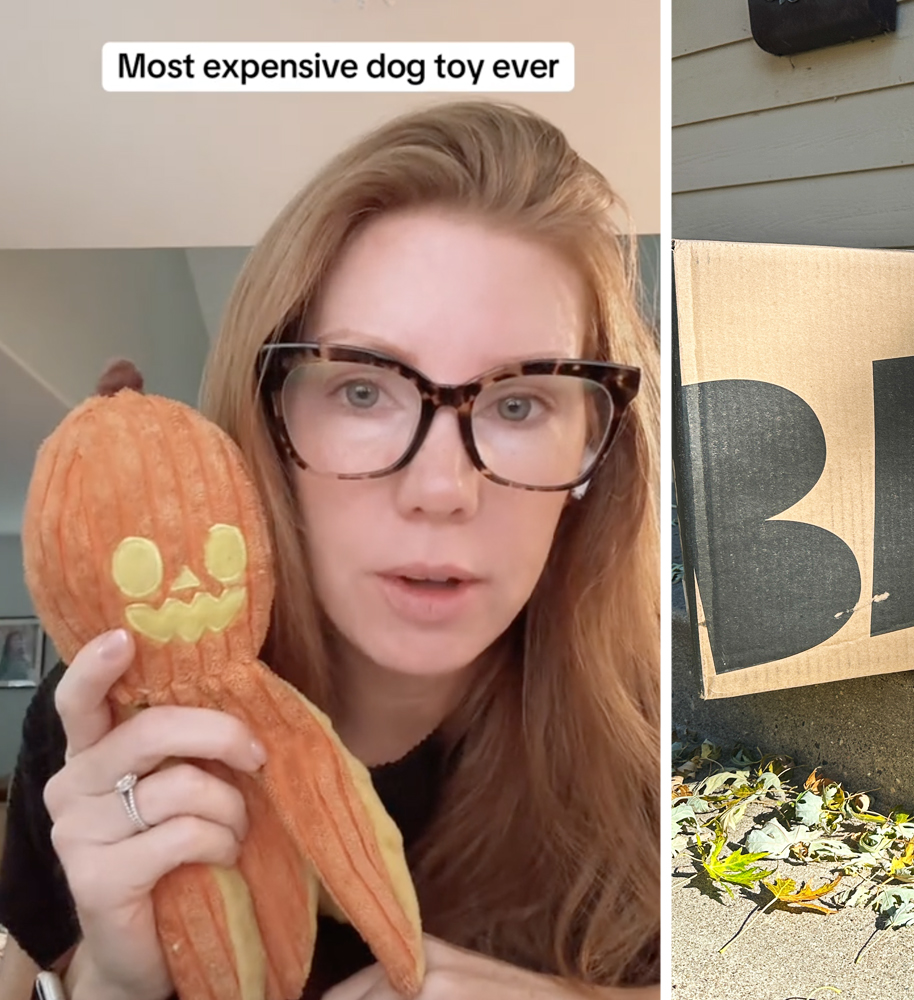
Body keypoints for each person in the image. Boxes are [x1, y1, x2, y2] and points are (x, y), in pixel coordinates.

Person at [0, 102, 661, 998]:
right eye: (362, 390)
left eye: (519, 404)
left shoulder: (659, 744)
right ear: (264, 424)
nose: (442, 488)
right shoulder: (101, 728)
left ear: (596, 445)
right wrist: (110, 982)